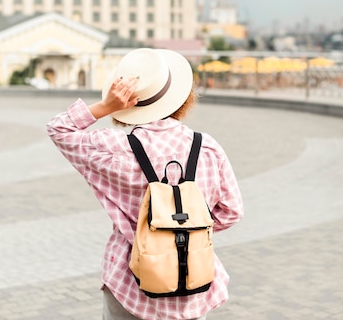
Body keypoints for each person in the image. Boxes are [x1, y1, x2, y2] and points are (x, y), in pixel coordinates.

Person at [46, 48, 244, 320]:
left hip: (130, 282)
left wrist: (106, 106)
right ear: (179, 97)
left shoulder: (115, 148)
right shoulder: (207, 147)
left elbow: (58, 129)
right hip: (192, 279)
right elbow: (231, 211)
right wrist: (185, 231)